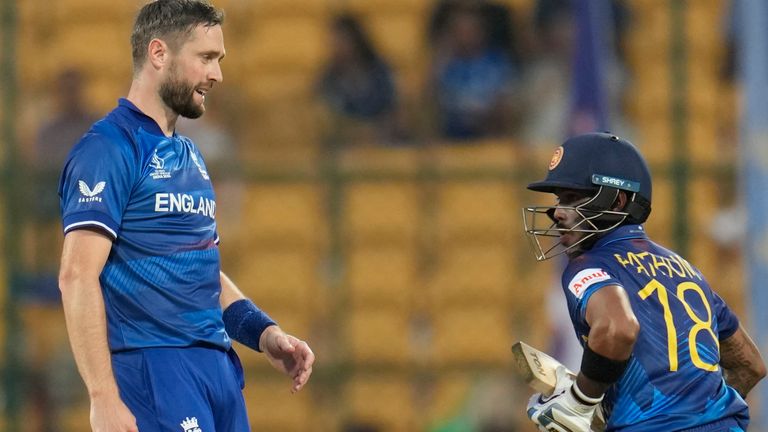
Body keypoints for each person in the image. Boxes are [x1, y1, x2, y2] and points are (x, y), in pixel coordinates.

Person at [57, 1, 314, 431]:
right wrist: (102, 397)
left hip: (215, 371)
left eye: (219, 60)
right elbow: (76, 275)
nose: (217, 75)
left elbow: (199, 271)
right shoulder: (109, 149)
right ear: (159, 54)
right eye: (206, 58)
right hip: (154, 368)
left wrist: (262, 332)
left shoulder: (189, 155)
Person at [521, 132, 765, 431]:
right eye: (559, 199)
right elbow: (751, 366)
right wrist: (696, 414)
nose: (557, 212)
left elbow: (617, 328)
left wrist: (579, 402)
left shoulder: (590, 265)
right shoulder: (688, 271)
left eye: (572, 198)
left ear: (619, 199)